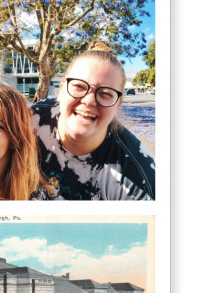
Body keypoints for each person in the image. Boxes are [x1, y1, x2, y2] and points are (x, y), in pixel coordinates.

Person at [32, 41, 155, 200]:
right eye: (79, 87)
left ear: (118, 105)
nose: (89, 101)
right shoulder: (29, 120)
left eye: (105, 93)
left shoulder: (137, 178)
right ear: (61, 90)